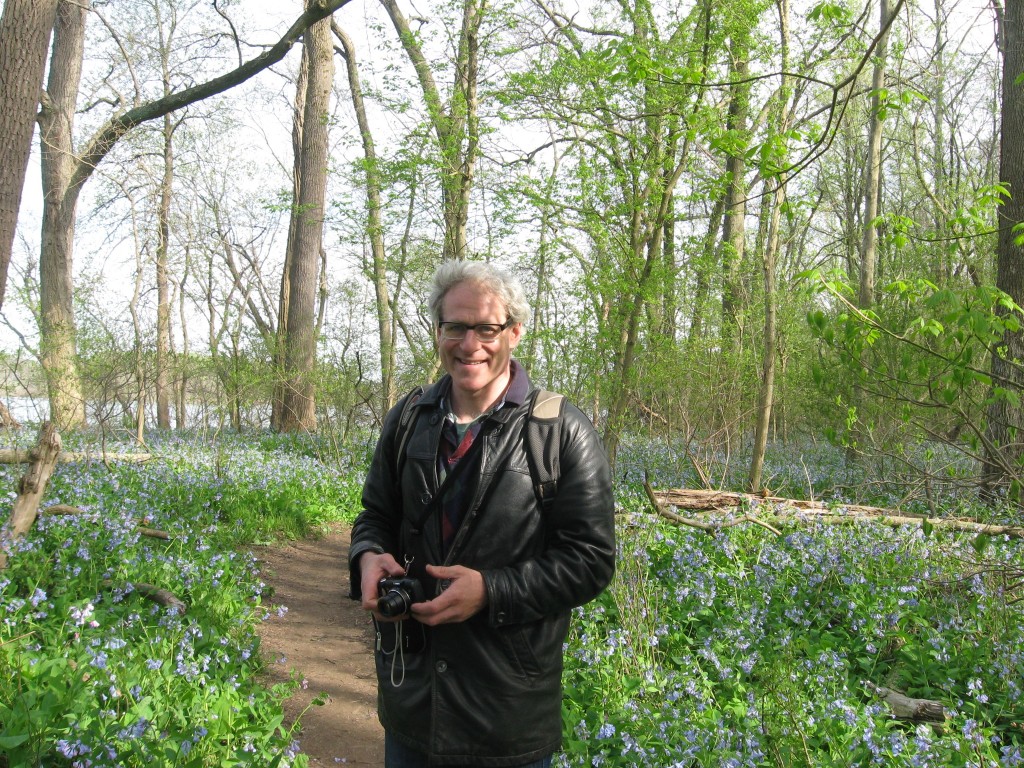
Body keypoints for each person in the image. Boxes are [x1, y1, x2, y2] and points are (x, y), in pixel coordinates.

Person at [349, 260, 616, 767]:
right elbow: (374, 517)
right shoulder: (408, 419)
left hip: (506, 713)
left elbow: (591, 560)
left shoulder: (560, 431)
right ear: (438, 332)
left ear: (514, 332)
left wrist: (491, 591)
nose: (470, 343)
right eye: (455, 327)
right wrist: (368, 556)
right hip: (413, 701)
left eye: (486, 328)